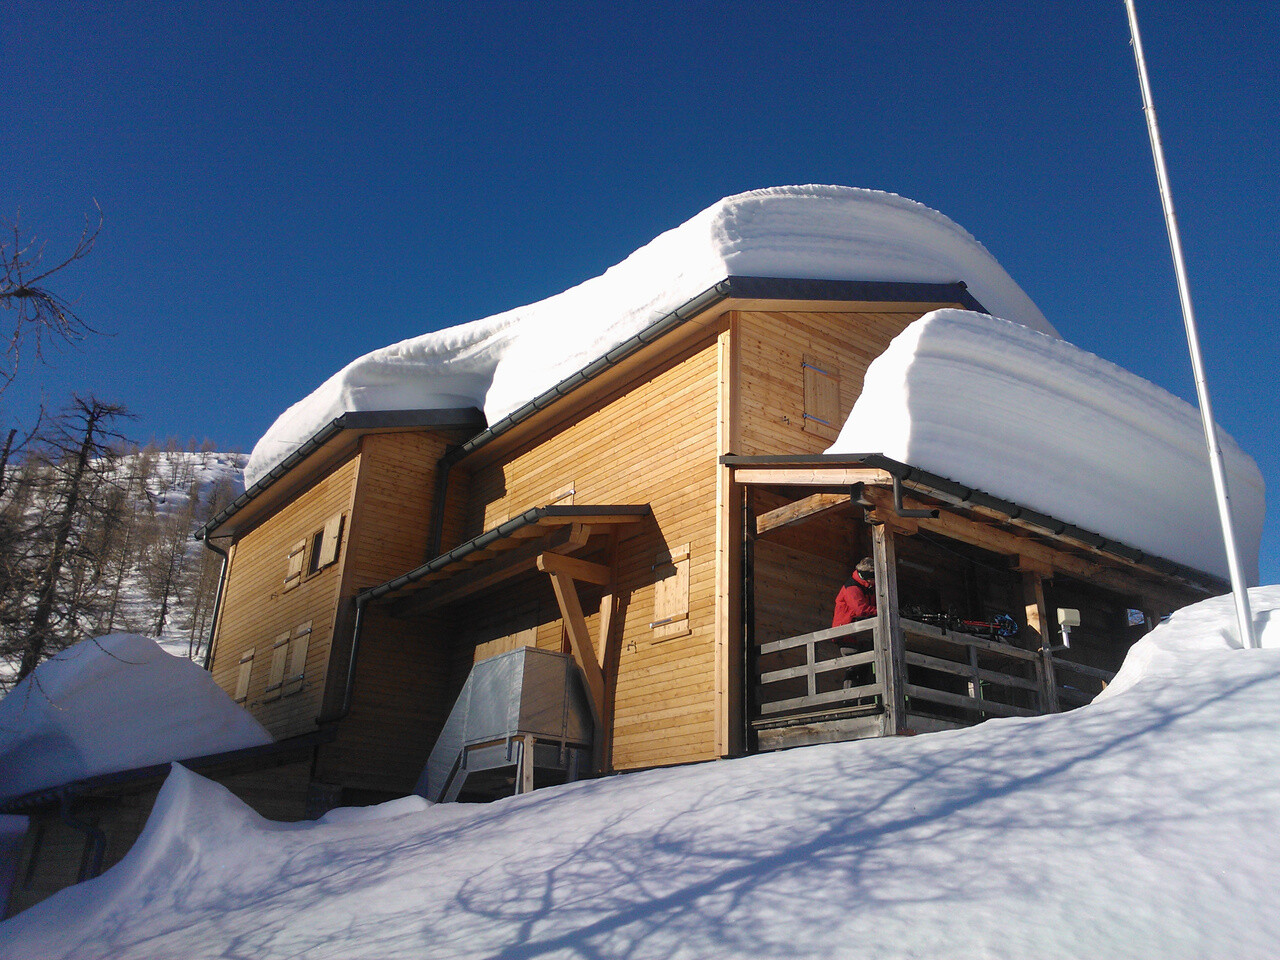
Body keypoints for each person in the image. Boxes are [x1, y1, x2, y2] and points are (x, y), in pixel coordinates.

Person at [832, 557, 877, 627]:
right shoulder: (852, 588)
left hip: (858, 628)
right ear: (868, 577)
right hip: (844, 631)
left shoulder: (869, 587)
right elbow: (860, 610)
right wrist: (880, 612)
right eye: (874, 578)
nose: (876, 581)